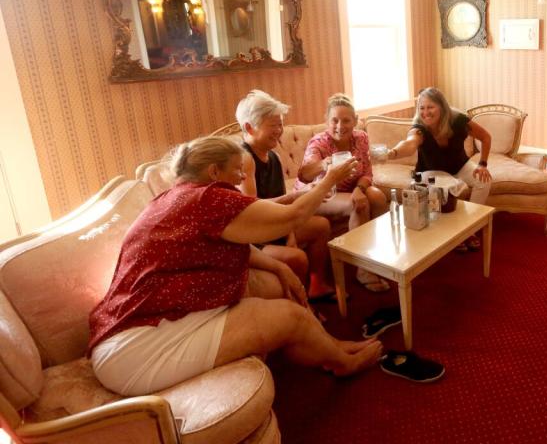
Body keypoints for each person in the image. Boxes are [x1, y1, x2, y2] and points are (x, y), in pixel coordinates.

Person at [88, 137, 382, 396]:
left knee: (276, 286)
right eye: (237, 169)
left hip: (142, 327)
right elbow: (292, 218)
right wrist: (331, 179)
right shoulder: (210, 199)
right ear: (214, 172)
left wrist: (280, 267)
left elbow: (239, 223)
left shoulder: (176, 196)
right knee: (291, 316)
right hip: (138, 350)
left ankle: (328, 346)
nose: (243, 176)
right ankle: (343, 363)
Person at [235, 90, 333, 301]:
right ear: (249, 128)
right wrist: (298, 196)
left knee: (321, 226)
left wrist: (289, 232)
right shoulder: (244, 159)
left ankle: (317, 285)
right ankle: (300, 303)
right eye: (273, 126)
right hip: (254, 237)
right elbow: (251, 209)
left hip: (274, 225)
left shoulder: (275, 157)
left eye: (280, 124)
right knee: (297, 257)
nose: (279, 131)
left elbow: (281, 205)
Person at [296, 93, 390, 292]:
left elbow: (367, 172)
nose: (340, 126)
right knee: (357, 203)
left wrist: (359, 188)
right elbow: (304, 174)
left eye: (346, 120)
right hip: (319, 194)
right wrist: (324, 163)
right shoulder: (319, 143)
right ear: (326, 121)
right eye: (334, 120)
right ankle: (362, 269)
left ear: (355, 121)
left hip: (349, 189)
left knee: (378, 197)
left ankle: (378, 255)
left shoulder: (361, 138)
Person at [385, 87, 492, 251]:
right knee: (446, 188)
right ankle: (452, 235)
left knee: (484, 180)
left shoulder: (458, 120)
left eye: (430, 107)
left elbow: (486, 137)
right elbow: (409, 144)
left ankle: (469, 229)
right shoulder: (419, 128)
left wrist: (482, 164)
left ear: (441, 107)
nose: (425, 112)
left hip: (459, 165)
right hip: (431, 171)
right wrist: (392, 153)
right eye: (421, 108)